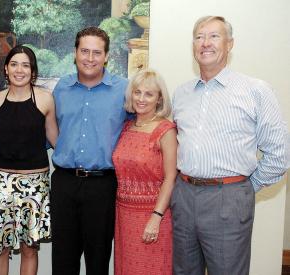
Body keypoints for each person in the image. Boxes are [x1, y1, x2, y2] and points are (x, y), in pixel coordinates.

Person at [172, 16, 289, 275]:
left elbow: (279, 155)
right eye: (199, 37)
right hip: (184, 195)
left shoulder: (255, 90)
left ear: (230, 44)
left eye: (214, 36)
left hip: (229, 198)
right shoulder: (181, 94)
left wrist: (242, 190)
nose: (205, 43)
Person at [51, 26, 128, 275]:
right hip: (64, 183)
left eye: (97, 52)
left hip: (102, 185)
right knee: (63, 259)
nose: (90, 58)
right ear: (75, 52)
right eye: (85, 51)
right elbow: (48, 128)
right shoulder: (61, 88)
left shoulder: (123, 90)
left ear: (106, 56)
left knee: (98, 260)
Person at [0, 45, 58, 275]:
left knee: (29, 249)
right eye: (14, 64)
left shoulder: (45, 99)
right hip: (1, 185)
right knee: (0, 248)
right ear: (6, 68)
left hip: (35, 186)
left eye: (25, 65)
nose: (19, 70)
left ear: (32, 71)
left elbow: (56, 141)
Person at [112, 69, 177, 275]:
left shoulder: (165, 130)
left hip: (152, 215)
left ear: (159, 99)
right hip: (124, 215)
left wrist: (156, 217)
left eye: (149, 94)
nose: (141, 98)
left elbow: (170, 177)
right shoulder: (126, 128)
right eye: (137, 92)